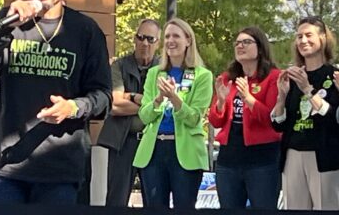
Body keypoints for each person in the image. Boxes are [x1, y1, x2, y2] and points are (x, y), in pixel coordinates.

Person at [0, 0, 111, 204]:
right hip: (5, 166)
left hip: (60, 169)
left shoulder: (85, 31)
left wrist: (73, 107)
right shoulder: (7, 20)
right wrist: (5, 28)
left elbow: (103, 97)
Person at [133, 18, 212, 209]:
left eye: (176, 36)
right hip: (154, 152)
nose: (171, 41)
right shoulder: (154, 74)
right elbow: (144, 116)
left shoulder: (203, 76)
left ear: (188, 41)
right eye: (167, 36)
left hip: (185, 153)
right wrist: (159, 99)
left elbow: (194, 119)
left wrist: (175, 98)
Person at [208, 27, 281, 209]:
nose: (240, 46)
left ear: (261, 47)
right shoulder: (228, 78)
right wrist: (221, 102)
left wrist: (248, 98)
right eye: (238, 43)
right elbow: (216, 121)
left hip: (262, 161)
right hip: (228, 160)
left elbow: (272, 120)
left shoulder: (273, 77)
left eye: (246, 42)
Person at [271, 17, 339, 210]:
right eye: (299, 36)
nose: (303, 41)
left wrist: (308, 90)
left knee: (327, 207)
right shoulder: (293, 76)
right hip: (293, 154)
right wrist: (281, 97)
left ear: (323, 38)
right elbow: (278, 124)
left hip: (324, 156)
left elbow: (334, 118)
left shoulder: (334, 76)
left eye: (308, 35)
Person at [97, 19, 161, 207]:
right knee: (116, 201)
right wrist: (147, 102)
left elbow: (165, 106)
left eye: (150, 39)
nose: (144, 43)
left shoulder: (163, 69)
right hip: (122, 142)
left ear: (158, 42)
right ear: (134, 39)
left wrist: (129, 97)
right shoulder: (119, 65)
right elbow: (114, 105)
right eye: (140, 37)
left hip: (153, 142)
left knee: (156, 200)